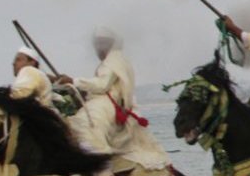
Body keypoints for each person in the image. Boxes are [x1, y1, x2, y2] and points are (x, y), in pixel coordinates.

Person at [56, 27, 169, 168]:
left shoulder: (114, 59)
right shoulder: (114, 60)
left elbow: (102, 85)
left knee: (85, 124)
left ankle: (99, 164)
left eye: (100, 44)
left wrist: (74, 81)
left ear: (108, 44)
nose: (97, 49)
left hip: (107, 105)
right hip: (109, 103)